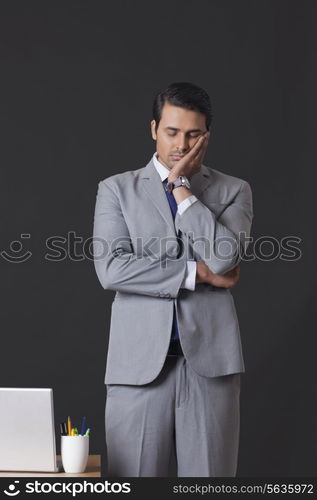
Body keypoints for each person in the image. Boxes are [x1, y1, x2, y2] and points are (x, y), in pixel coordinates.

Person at [93, 82, 254, 477]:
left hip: (210, 366)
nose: (181, 144)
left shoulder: (234, 191)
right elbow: (112, 269)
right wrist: (194, 273)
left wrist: (182, 188)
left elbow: (224, 258)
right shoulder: (116, 189)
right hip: (138, 370)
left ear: (206, 137)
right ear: (153, 129)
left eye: (193, 134)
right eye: (171, 132)